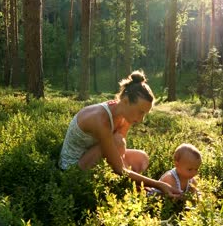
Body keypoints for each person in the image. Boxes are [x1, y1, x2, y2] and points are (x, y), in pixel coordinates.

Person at [59, 70, 180, 198]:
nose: (141, 120)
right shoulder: (101, 119)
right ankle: (128, 188)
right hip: (73, 169)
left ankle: (132, 185)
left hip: (94, 157)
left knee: (142, 158)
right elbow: (118, 168)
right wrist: (158, 185)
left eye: (145, 114)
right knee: (117, 142)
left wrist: (139, 182)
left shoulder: (124, 115)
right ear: (126, 101)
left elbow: (119, 152)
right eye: (140, 112)